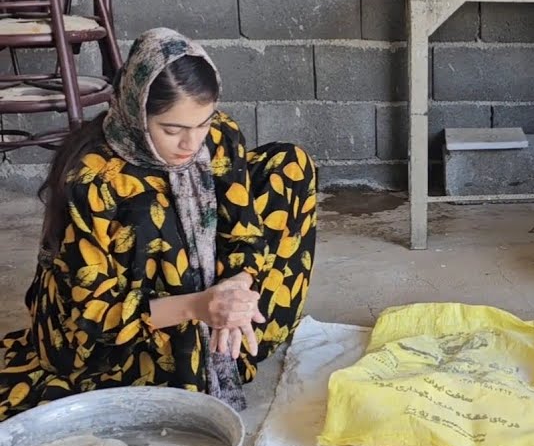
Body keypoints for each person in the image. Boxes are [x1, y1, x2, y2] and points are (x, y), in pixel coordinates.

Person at [0, 28, 317, 421]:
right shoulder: (93, 179)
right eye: (172, 130)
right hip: (113, 331)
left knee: (290, 164)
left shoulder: (215, 135)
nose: (191, 143)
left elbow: (243, 233)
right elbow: (95, 316)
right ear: (136, 111)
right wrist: (200, 306)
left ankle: (230, 333)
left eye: (202, 123)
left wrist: (235, 292)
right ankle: (197, 346)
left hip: (203, 293)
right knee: (157, 218)